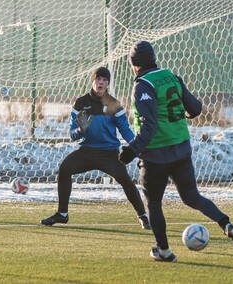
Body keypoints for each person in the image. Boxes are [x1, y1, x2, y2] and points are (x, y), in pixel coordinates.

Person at [119, 40, 233, 262]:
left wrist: (132, 149)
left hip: (156, 155)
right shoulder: (171, 76)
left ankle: (164, 251)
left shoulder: (142, 85)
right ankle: (226, 225)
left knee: (153, 203)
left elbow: (149, 125)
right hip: (181, 149)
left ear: (134, 64)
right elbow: (197, 108)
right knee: (191, 196)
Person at [41, 67, 151, 230]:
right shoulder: (80, 103)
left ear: (108, 83)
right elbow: (72, 135)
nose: (101, 82)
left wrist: (138, 146)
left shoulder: (114, 104)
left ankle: (143, 216)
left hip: (109, 154)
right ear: (93, 81)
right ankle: (62, 214)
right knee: (65, 169)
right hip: (86, 152)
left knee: (125, 181)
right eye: (98, 79)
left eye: (104, 79)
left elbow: (125, 130)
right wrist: (81, 130)